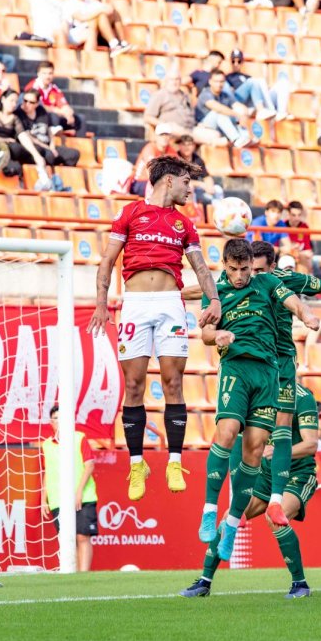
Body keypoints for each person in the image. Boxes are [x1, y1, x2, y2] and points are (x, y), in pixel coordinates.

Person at [90, 156, 222, 500]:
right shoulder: (131, 213)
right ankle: (137, 465)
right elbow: (107, 260)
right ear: (168, 181)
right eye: (185, 183)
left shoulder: (184, 224)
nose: (189, 189)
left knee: (173, 382)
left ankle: (174, 462)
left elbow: (201, 267)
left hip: (169, 306)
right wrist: (102, 303)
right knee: (133, 385)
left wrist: (214, 300)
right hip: (135, 304)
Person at [197, 238, 319, 561]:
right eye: (234, 269)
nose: (240, 276)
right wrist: (217, 336)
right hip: (236, 368)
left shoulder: (266, 282)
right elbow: (206, 333)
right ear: (225, 265)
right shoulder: (215, 292)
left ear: (253, 265)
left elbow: (291, 300)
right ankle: (210, 510)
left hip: (267, 375)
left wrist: (306, 314)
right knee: (226, 431)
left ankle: (233, 523)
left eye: (245, 269)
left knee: (253, 451)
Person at [181, 383, 319, 600]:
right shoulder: (261, 392)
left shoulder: (303, 398)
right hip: (265, 476)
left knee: (275, 517)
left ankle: (300, 584)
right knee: (231, 516)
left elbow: (311, 445)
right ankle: (204, 582)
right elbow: (241, 438)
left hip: (298, 475)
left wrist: (283, 450)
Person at [41, 405, 97, 572]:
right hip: (58, 499)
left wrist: (78, 491)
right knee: (66, 540)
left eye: (61, 417)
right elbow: (47, 472)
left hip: (83, 497)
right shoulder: (47, 445)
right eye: (55, 418)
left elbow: (89, 466)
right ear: (51, 422)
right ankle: (71, 574)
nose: (59, 421)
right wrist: (44, 499)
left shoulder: (79, 438)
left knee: (82, 536)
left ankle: (83, 575)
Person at [0, 89, 52, 188]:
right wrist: (4, 140)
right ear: (3, 99)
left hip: (10, 149)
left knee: (36, 152)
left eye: (16, 101)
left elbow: (23, 136)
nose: (14, 104)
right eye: (11, 100)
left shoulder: (15, 118)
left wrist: (36, 156)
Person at [63, 0, 134, 57]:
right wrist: (99, 11)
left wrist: (107, 1)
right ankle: (114, 44)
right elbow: (81, 17)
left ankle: (122, 42)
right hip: (76, 33)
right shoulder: (70, 2)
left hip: (95, 30)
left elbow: (109, 10)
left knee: (113, 14)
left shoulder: (91, 2)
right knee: (99, 16)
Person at [17, 90, 81, 168]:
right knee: (49, 155)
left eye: (31, 102)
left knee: (73, 154)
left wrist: (52, 146)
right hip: (34, 147)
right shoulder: (18, 114)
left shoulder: (41, 111)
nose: (27, 104)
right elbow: (27, 136)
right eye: (25, 101)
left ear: (37, 104)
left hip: (47, 145)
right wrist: (47, 148)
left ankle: (61, 175)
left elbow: (49, 129)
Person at [278, 201, 321, 284]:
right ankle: (305, 290)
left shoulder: (304, 227)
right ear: (288, 214)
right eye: (293, 215)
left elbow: (308, 250)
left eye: (299, 215)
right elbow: (282, 249)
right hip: (289, 258)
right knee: (299, 257)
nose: (297, 218)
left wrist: (299, 252)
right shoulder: (282, 226)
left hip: (305, 258)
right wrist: (295, 251)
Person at [227, 49, 290, 122]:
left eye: (239, 61)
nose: (236, 64)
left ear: (242, 62)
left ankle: (281, 112)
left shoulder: (248, 77)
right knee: (258, 81)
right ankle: (266, 110)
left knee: (283, 83)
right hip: (242, 102)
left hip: (256, 101)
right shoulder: (227, 77)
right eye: (233, 61)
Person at [196, 69, 251, 148]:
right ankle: (236, 139)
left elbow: (238, 105)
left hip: (220, 125)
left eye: (221, 81)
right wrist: (238, 115)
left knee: (239, 111)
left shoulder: (225, 95)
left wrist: (244, 113)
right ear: (210, 81)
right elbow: (218, 108)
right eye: (216, 81)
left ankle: (245, 137)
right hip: (203, 126)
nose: (219, 84)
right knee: (219, 114)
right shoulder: (205, 94)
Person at [25, 60, 82, 136]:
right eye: (44, 73)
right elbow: (38, 106)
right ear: (38, 74)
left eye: (50, 73)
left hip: (56, 115)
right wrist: (59, 111)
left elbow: (64, 105)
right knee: (53, 116)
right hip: (38, 117)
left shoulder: (54, 88)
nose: (48, 76)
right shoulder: (33, 86)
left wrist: (69, 114)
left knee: (79, 119)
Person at [143, 73, 200, 141]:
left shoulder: (185, 95)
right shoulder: (160, 95)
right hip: (172, 129)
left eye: (177, 79)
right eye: (172, 79)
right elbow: (147, 117)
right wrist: (165, 124)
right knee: (188, 135)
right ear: (166, 81)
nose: (175, 82)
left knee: (212, 135)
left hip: (191, 128)